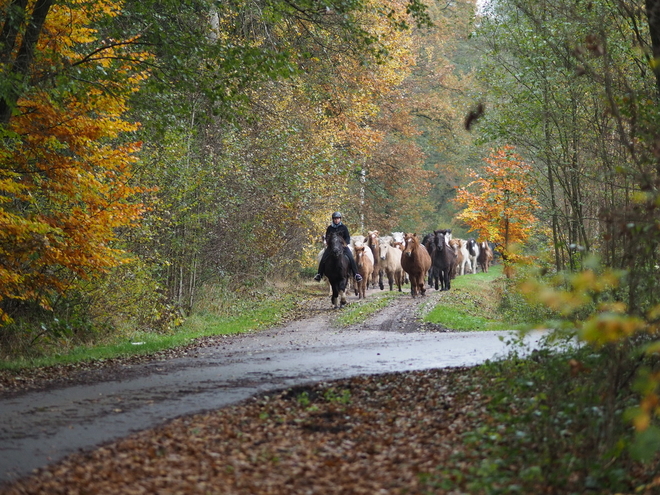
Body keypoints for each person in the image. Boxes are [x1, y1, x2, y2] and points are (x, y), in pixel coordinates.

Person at [313, 212, 363, 282]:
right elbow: (327, 237)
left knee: (351, 257)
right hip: (332, 247)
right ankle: (319, 274)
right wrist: (328, 243)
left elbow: (347, 237)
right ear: (333, 219)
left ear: (340, 219)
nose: (336, 220)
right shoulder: (330, 228)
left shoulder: (344, 227)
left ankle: (356, 274)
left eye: (338, 219)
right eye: (335, 219)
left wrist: (345, 243)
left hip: (343, 246)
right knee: (323, 258)